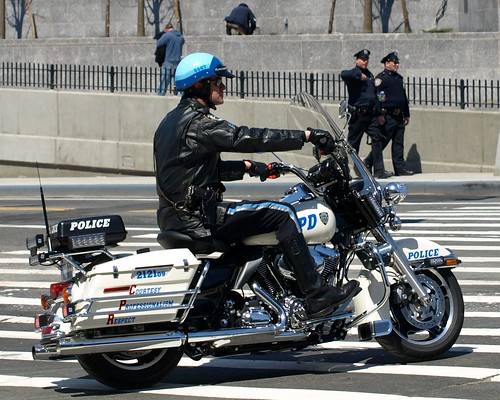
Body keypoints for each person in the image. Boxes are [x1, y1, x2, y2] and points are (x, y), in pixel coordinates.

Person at [153, 52, 359, 319]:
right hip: (200, 218)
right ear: (198, 85)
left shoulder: (170, 122)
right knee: (283, 214)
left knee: (258, 235)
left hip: (178, 216)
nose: (223, 86)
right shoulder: (199, 123)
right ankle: (317, 294)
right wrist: (306, 136)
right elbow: (246, 137)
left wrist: (251, 168)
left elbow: (198, 170)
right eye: (216, 81)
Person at [340, 49, 393, 179]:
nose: (365, 61)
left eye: (366, 59)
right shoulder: (354, 73)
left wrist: (380, 113)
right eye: (363, 59)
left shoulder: (369, 75)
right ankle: (347, 170)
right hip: (358, 115)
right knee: (353, 144)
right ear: (357, 60)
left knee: (377, 138)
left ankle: (379, 170)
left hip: (371, 114)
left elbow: (375, 96)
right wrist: (358, 75)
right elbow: (343, 74)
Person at [365, 52, 414, 176]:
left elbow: (403, 97)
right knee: (382, 142)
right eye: (394, 62)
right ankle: (368, 162)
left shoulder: (399, 78)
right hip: (387, 116)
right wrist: (379, 114)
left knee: (398, 143)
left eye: (398, 63)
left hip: (399, 115)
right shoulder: (381, 79)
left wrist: (406, 114)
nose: (397, 65)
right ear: (387, 64)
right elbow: (378, 98)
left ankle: (400, 168)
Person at [156, 23, 185, 96]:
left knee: (164, 82)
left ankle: (160, 97)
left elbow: (159, 43)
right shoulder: (180, 37)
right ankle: (180, 96)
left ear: (166, 29)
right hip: (178, 61)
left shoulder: (168, 35)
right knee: (178, 81)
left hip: (169, 61)